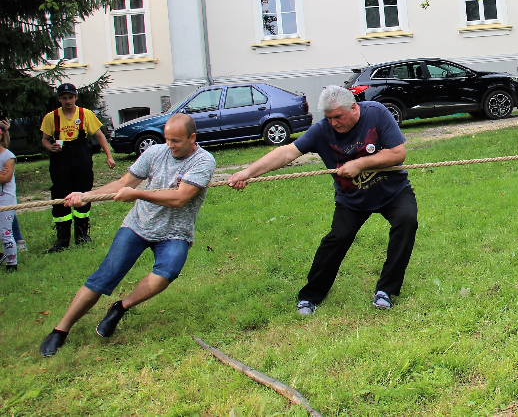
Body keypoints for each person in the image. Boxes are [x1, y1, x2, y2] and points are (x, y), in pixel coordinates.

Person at [228, 85, 417, 315]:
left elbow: (398, 153)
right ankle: (310, 297)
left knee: (406, 221)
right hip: (352, 199)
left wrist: (359, 164)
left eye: (338, 116)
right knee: (337, 239)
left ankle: (386, 290)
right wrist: (247, 173)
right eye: (329, 118)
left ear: (354, 108)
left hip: (393, 191)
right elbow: (287, 152)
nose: (334, 123)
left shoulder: (376, 113)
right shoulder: (322, 131)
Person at [39, 114, 215, 357]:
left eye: (176, 141)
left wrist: (138, 194)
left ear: (192, 138)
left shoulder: (203, 161)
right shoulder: (155, 152)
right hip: (138, 225)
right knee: (104, 276)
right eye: (167, 139)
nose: (170, 145)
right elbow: (125, 182)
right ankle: (61, 330)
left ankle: (120, 307)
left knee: (168, 272)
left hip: (175, 232)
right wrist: (87, 195)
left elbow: (180, 197)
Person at [40, 83, 116, 252]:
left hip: (81, 156)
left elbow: (99, 135)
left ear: (76, 97)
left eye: (71, 97)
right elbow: (44, 139)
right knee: (61, 196)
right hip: (61, 160)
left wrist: (109, 156)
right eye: (64, 98)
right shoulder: (51, 117)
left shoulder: (85, 114)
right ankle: (62, 239)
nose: (68, 101)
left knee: (83, 194)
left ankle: (82, 234)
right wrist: (49, 146)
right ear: (59, 99)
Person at [1, 117, 18, 272]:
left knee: (5, 232)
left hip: (5, 199)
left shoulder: (8, 156)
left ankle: (12, 263)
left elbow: (4, 178)